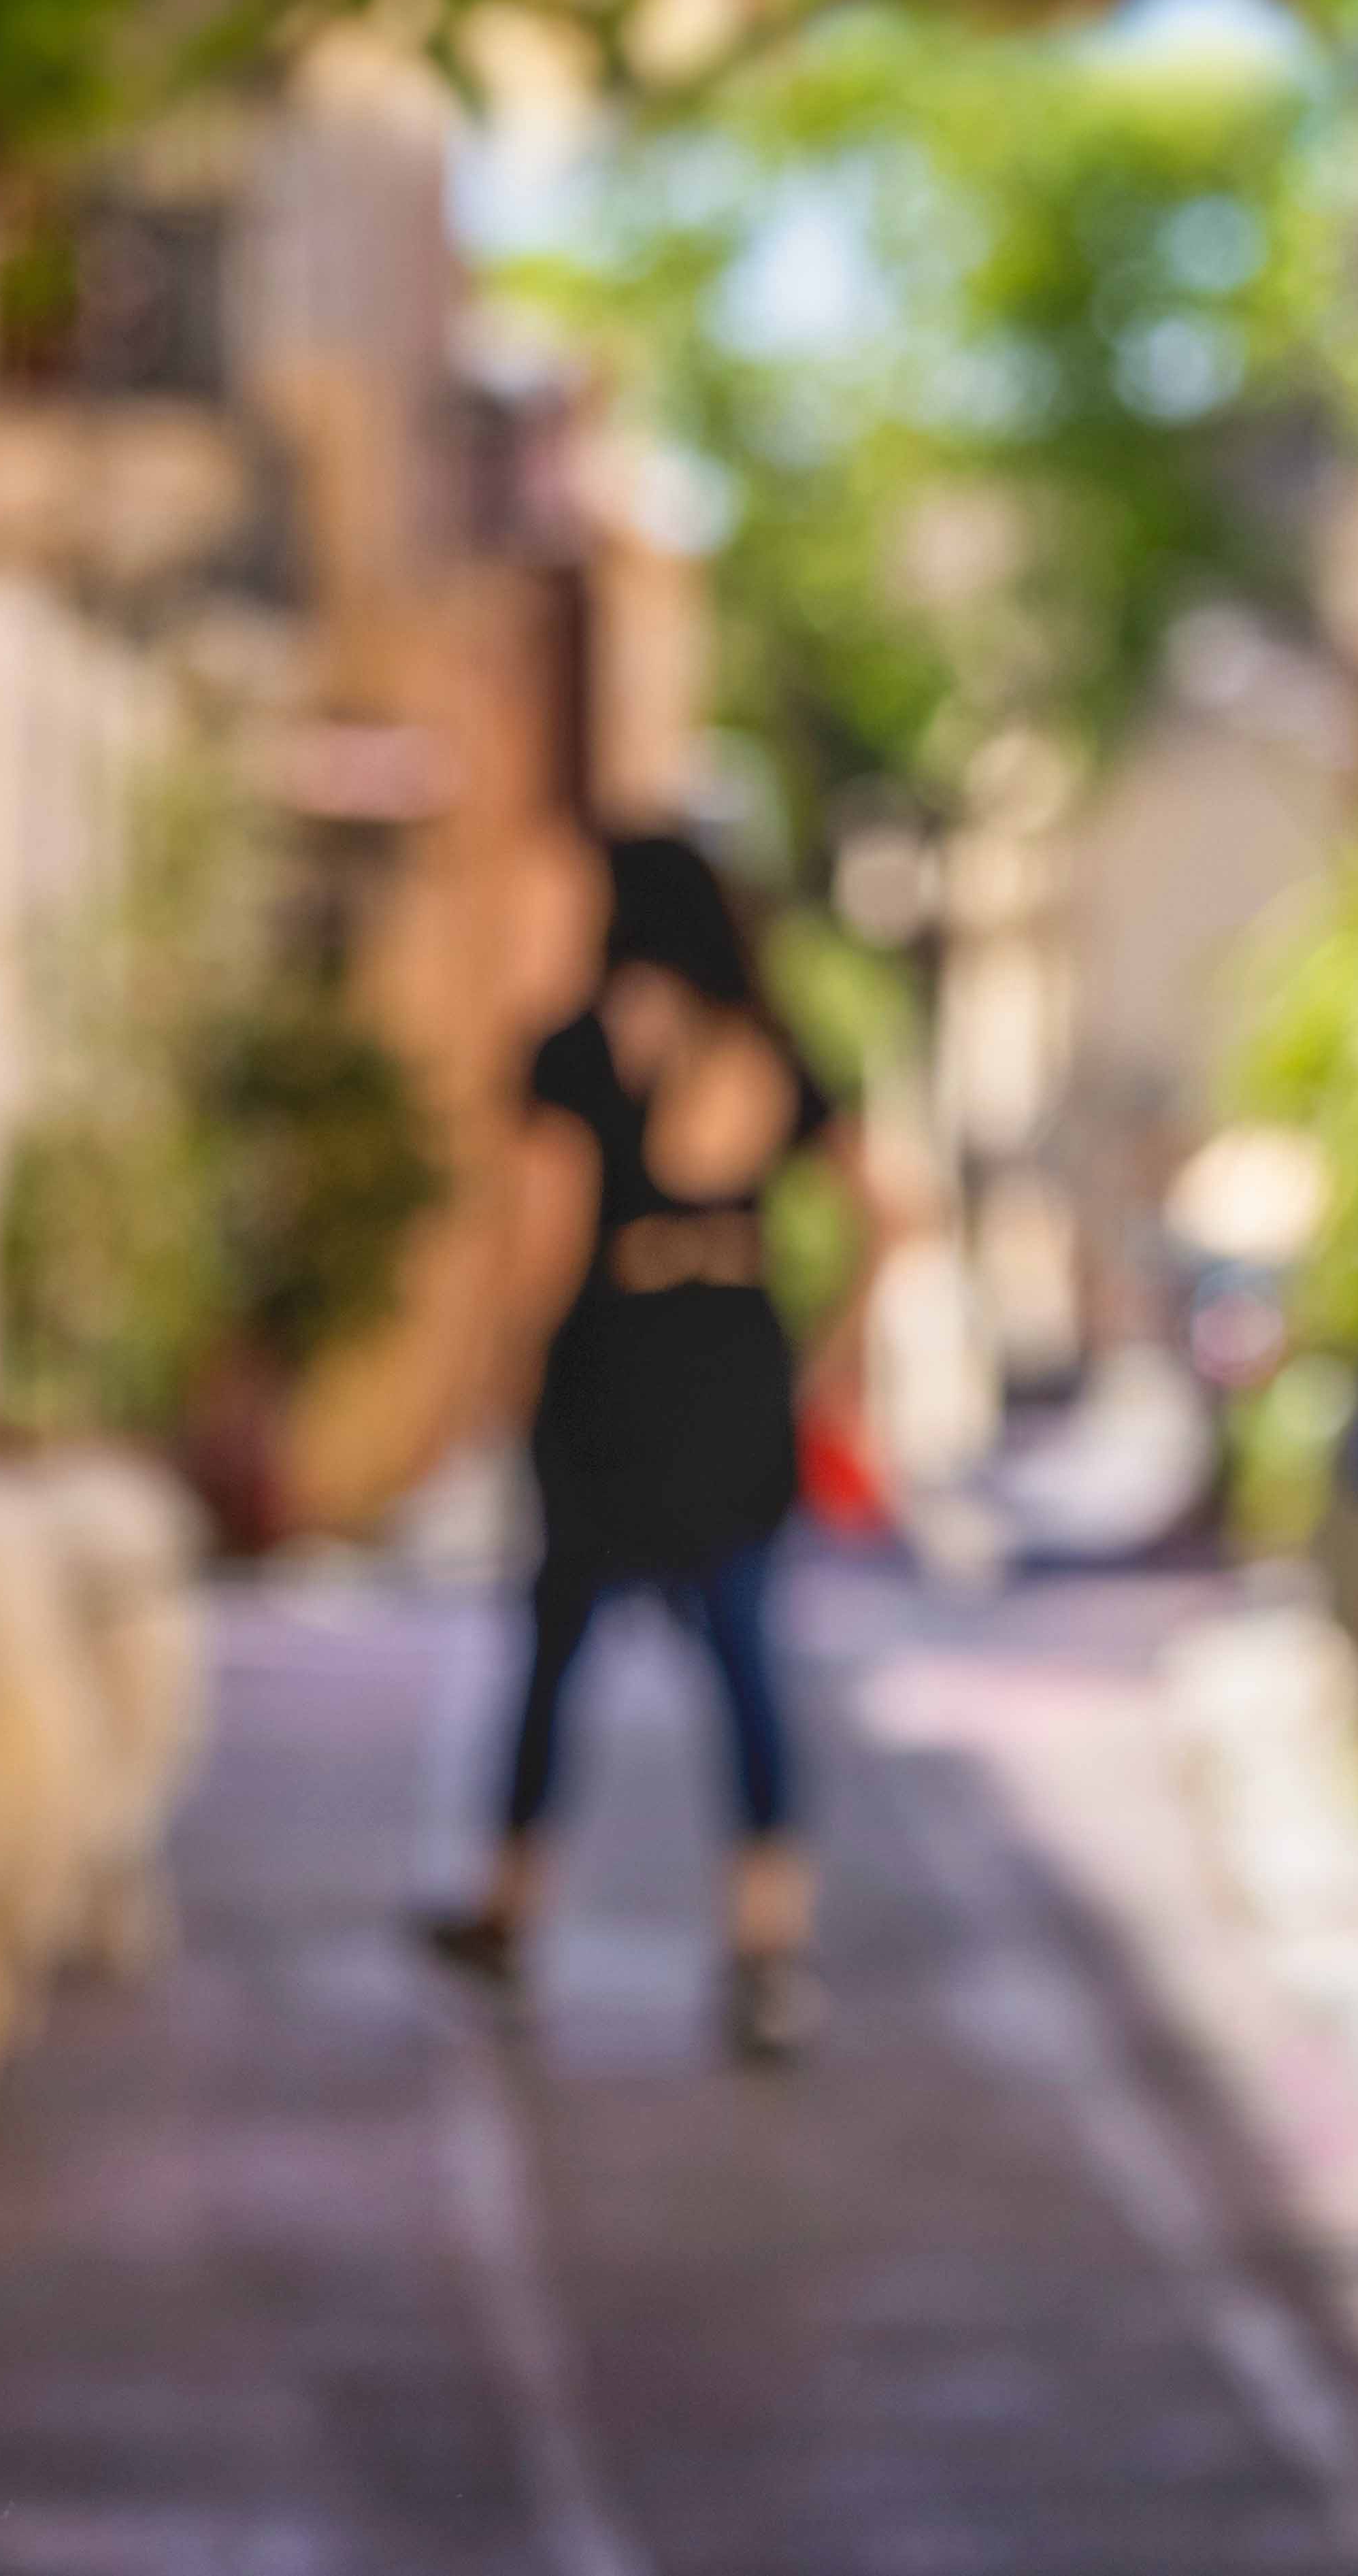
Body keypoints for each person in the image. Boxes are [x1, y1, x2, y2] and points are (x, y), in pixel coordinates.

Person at [425, 831, 850, 2060]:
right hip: (735, 1371)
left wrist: (499, 1378)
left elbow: (546, 1239)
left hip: (613, 1372)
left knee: (556, 1650)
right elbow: (886, 1208)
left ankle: (509, 1910)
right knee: (746, 1663)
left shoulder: (575, 1049)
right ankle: (768, 1945)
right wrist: (825, 1356)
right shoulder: (766, 1051)